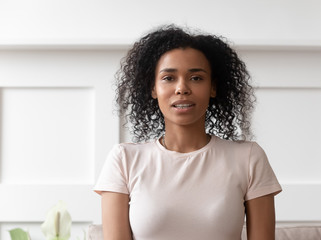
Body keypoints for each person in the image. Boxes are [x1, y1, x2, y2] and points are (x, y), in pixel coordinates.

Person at [94, 25, 282, 240]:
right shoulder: (124, 160)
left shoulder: (248, 158)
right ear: (153, 88)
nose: (182, 88)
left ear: (213, 87)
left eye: (196, 78)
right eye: (168, 78)